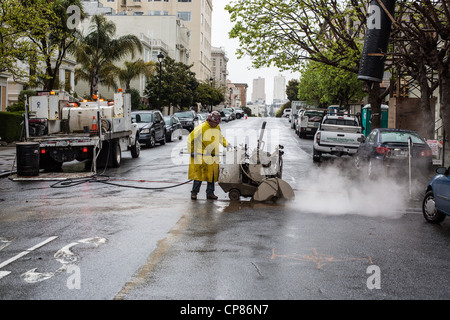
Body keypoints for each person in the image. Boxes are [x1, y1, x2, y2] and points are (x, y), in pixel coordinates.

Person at [187, 111, 229, 200]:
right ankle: (194, 193)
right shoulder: (201, 128)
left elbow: (220, 137)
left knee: (212, 176)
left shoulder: (217, 127)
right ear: (210, 120)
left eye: (218, 123)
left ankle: (210, 193)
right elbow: (191, 139)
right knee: (199, 176)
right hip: (201, 155)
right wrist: (191, 151)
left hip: (213, 156)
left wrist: (226, 145)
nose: (217, 124)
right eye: (215, 123)